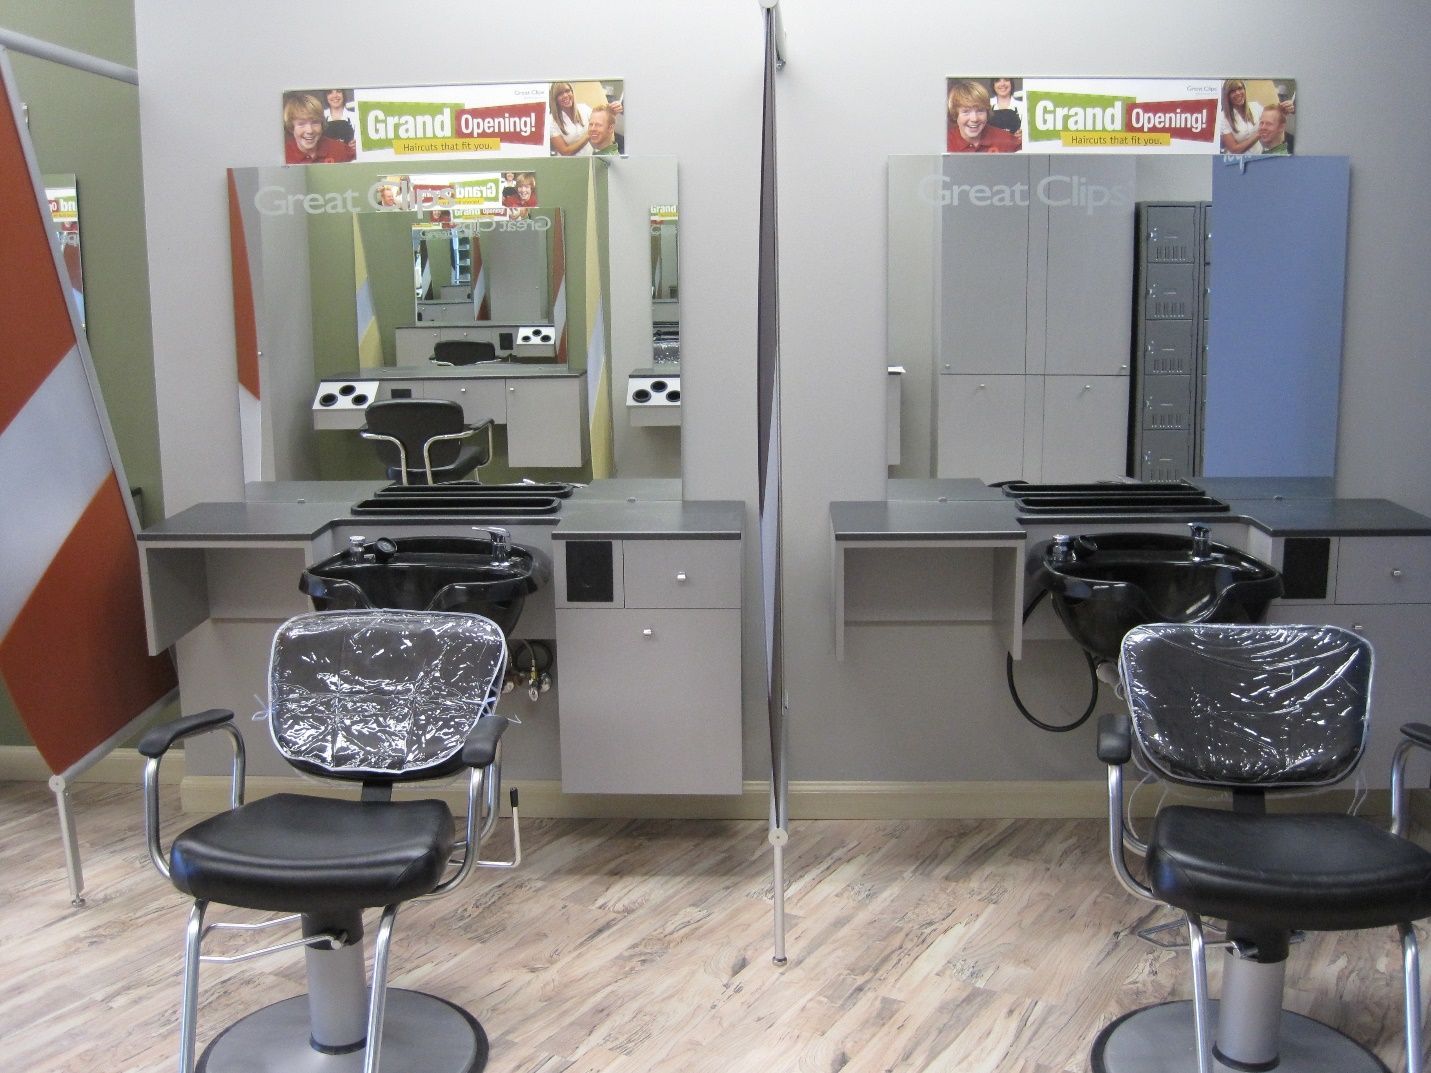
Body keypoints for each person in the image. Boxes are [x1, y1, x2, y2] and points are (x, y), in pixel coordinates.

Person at [548, 80, 624, 156]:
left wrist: (612, 112)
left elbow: (602, 121)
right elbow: (565, 152)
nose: (565, 95)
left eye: (567, 91)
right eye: (560, 94)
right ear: (555, 98)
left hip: (590, 158)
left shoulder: (584, 109)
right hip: (568, 164)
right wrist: (589, 134)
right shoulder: (551, 121)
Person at [946, 80, 1020, 153]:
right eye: (966, 112)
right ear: (955, 114)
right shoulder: (944, 143)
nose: (974, 119)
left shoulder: (1007, 141)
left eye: (980, 111)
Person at [283, 92, 355, 164]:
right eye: (301, 124)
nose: (310, 130)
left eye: (315, 122)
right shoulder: (283, 156)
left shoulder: (340, 150)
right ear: (291, 127)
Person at [1217, 79, 1264, 155]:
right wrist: (1259, 134)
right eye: (1232, 91)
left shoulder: (1256, 106)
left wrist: (1283, 110)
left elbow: (1271, 120)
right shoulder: (1222, 117)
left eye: (1240, 88)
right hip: (1236, 161)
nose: (1238, 93)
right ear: (1227, 96)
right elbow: (1234, 149)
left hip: (1259, 156)